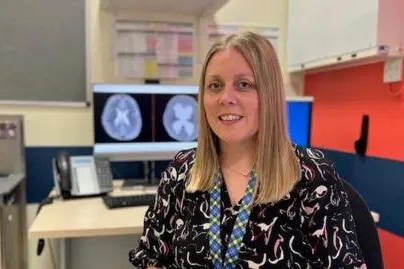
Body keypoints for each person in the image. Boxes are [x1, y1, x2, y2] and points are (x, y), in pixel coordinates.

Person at [128, 31, 367, 269]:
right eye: (215, 85)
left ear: (269, 94)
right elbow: (151, 254)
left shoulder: (312, 175)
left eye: (244, 84)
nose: (226, 97)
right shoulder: (182, 170)